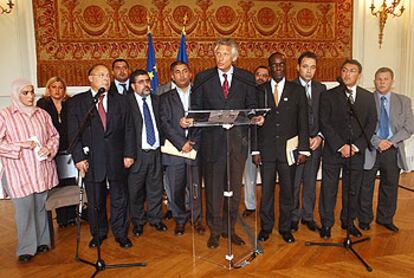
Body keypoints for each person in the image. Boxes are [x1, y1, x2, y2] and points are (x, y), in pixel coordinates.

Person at [189, 38, 263, 249]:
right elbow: (196, 108)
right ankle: (215, 231)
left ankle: (229, 229)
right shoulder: (203, 78)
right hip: (212, 144)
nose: (219, 57)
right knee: (213, 190)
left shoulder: (246, 78)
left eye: (224, 54)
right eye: (217, 53)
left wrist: (254, 117)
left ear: (234, 57)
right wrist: (203, 118)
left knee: (233, 191)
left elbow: (251, 106)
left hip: (236, 143)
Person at [67, 64, 136, 249]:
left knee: (120, 199)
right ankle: (98, 234)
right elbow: (73, 132)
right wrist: (79, 158)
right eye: (101, 75)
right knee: (96, 201)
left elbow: (130, 129)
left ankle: (121, 234)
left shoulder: (121, 101)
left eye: (107, 75)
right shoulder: (77, 102)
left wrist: (129, 153)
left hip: (117, 158)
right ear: (90, 78)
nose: (106, 78)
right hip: (92, 161)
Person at [0, 78, 59, 263]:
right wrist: (20, 145)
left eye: (32, 91)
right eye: (25, 93)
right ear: (16, 94)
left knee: (41, 207)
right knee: (24, 210)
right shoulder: (5, 115)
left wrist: (49, 148)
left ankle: (43, 242)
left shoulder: (42, 114)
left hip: (41, 169)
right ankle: (26, 248)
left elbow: (54, 136)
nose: (30, 96)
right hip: (18, 172)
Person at [253, 52, 310, 244]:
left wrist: (303, 149)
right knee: (266, 192)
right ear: (269, 68)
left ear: (286, 67)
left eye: (281, 65)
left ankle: (285, 228)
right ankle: (266, 228)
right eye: (274, 65)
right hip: (266, 151)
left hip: (289, 152)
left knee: (288, 192)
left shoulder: (297, 90)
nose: (277, 68)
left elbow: (303, 122)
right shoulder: (259, 91)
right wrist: (255, 150)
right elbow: (254, 123)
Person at [318, 59, 377, 239]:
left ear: (359, 75)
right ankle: (327, 224)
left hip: (355, 152)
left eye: (352, 71)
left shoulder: (367, 97)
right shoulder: (329, 95)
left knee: (352, 189)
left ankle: (348, 222)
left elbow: (370, 124)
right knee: (329, 189)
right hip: (333, 151)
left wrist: (356, 146)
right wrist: (340, 146)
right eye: (344, 70)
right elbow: (324, 122)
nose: (347, 74)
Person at [358, 67, 414, 232]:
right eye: (379, 79)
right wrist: (377, 142)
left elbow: (409, 127)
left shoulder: (404, 101)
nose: (382, 82)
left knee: (390, 186)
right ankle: (364, 219)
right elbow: (362, 126)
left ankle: (385, 218)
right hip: (371, 148)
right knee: (365, 185)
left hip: (392, 150)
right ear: (374, 81)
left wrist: (389, 142)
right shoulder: (366, 100)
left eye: (385, 79)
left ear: (392, 82)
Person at [159, 61, 205, 236]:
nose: (182, 75)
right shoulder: (164, 98)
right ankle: (180, 219)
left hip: (195, 149)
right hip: (174, 151)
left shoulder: (200, 95)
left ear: (190, 73)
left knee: (194, 188)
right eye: (177, 72)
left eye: (185, 71)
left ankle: (197, 219)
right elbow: (164, 124)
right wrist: (181, 143)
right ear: (172, 76)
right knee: (176, 189)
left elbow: (205, 119)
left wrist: (192, 141)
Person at [127, 69, 167, 238]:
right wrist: (127, 154)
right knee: (135, 191)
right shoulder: (125, 103)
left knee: (156, 188)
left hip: (156, 152)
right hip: (137, 154)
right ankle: (138, 222)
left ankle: (156, 218)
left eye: (147, 81)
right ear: (133, 86)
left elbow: (163, 124)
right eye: (141, 82)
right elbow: (124, 132)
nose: (146, 85)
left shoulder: (157, 100)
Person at [290, 51, 326, 232]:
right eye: (305, 66)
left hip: (315, 143)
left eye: (312, 67)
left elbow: (325, 117)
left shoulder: (321, 88)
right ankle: (293, 217)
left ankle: (308, 216)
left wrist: (319, 136)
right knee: (295, 182)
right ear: (298, 67)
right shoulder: (290, 87)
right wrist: (301, 140)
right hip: (297, 144)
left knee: (311, 181)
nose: (309, 71)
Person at [37, 76, 77, 227]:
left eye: (60, 87)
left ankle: (72, 215)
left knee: (70, 183)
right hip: (52, 150)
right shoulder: (42, 104)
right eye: (54, 87)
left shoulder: (70, 102)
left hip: (69, 148)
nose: (57, 90)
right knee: (57, 184)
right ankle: (62, 218)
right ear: (49, 88)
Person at [242, 65, 271, 217]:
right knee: (249, 175)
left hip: (268, 142)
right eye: (258, 74)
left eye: (264, 75)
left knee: (268, 177)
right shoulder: (247, 93)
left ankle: (266, 207)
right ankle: (250, 205)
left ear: (269, 78)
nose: (260, 78)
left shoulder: (272, 94)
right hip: (249, 140)